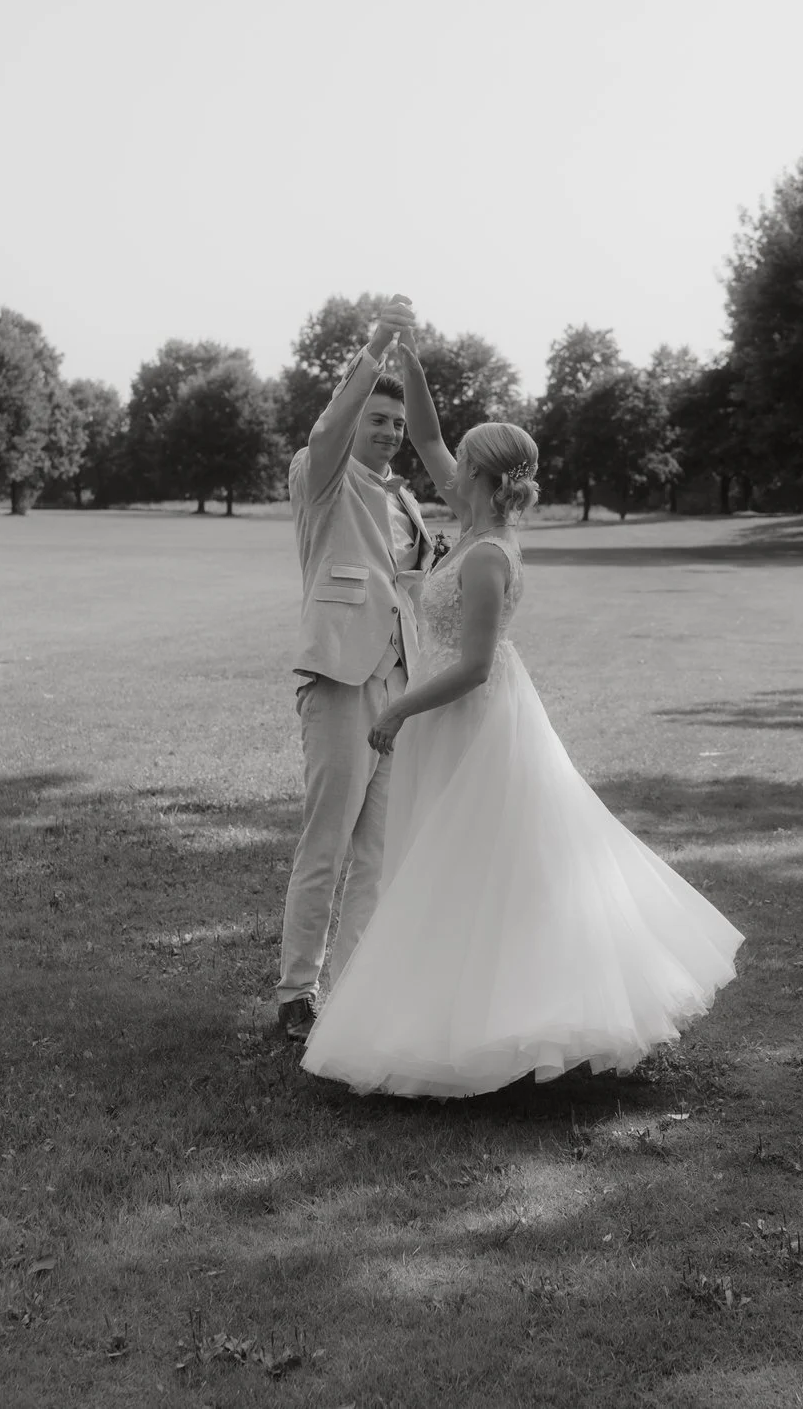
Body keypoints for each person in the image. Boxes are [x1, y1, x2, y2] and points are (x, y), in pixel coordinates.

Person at [301, 347, 742, 1096]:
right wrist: (410, 370)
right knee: (438, 860)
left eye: (459, 463)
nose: (443, 463)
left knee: (474, 861)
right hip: (453, 710)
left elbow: (473, 665)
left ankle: (496, 1026)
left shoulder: (486, 558)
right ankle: (442, 1012)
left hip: (469, 711)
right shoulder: (473, 523)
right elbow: (435, 440)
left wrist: (401, 708)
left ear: (479, 478)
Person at [275, 302, 438, 1041]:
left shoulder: (403, 496)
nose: (389, 431)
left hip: (399, 688)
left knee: (376, 852)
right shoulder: (321, 477)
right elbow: (324, 431)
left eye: (396, 424)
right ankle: (295, 992)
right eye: (378, 420)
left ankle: (355, 990)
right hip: (340, 676)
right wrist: (377, 348)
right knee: (328, 842)